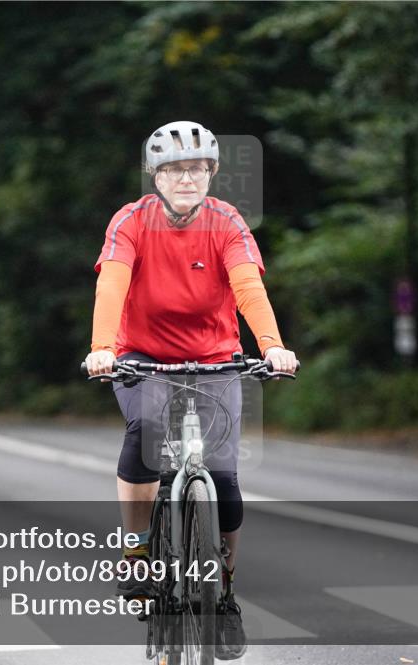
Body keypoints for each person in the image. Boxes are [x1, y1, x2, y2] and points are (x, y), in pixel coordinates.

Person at [83, 120, 298, 660]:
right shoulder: (131, 221)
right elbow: (112, 281)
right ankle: (136, 553)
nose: (188, 178)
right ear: (156, 175)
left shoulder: (227, 222)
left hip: (215, 359)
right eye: (176, 169)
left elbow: (248, 285)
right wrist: (102, 348)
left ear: (212, 173)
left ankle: (223, 590)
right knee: (145, 428)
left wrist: (271, 344)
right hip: (141, 357)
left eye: (198, 168)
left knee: (223, 478)